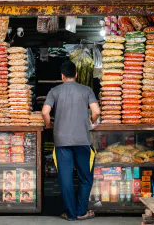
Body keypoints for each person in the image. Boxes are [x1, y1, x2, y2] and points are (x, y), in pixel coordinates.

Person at [42, 60, 100, 221]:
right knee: (85, 177)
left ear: (62, 76)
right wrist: (90, 121)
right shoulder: (86, 90)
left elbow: (45, 112)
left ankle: (71, 213)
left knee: (65, 178)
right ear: (76, 74)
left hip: (61, 141)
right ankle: (81, 211)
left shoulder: (54, 91)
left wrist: (49, 125)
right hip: (82, 140)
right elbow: (96, 111)